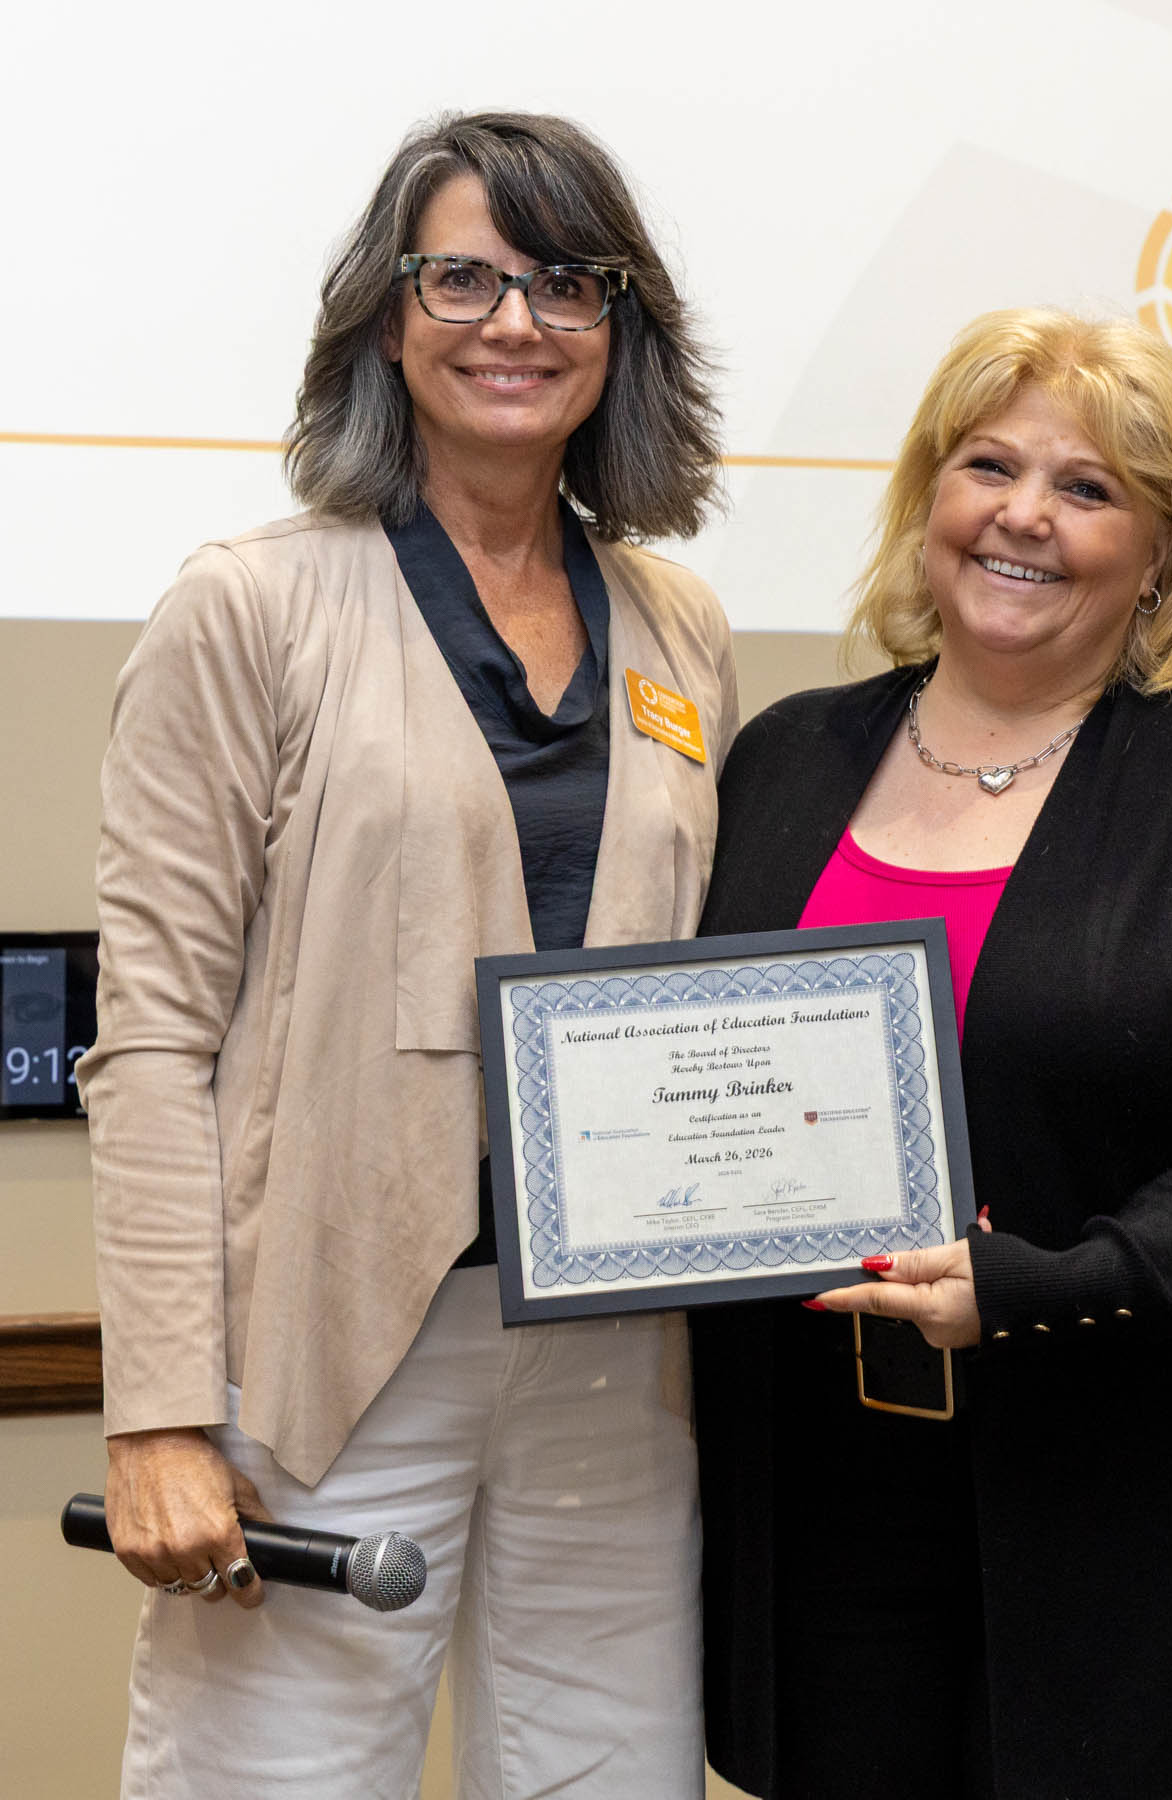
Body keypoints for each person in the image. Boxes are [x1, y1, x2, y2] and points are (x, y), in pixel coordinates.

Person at [77, 110, 737, 1799]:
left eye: (566, 284)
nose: (516, 322)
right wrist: (158, 1413)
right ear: (388, 316)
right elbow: (150, 1038)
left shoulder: (681, 628)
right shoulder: (249, 605)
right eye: (465, 279)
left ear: (621, 329)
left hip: (611, 1355)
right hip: (330, 1347)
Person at [691, 308, 1172, 1800]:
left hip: (1137, 1506)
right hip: (819, 1505)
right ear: (928, 497)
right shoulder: (787, 757)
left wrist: (1056, 1286)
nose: (1024, 515)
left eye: (1089, 489)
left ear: (1163, 550)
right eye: (989, 466)